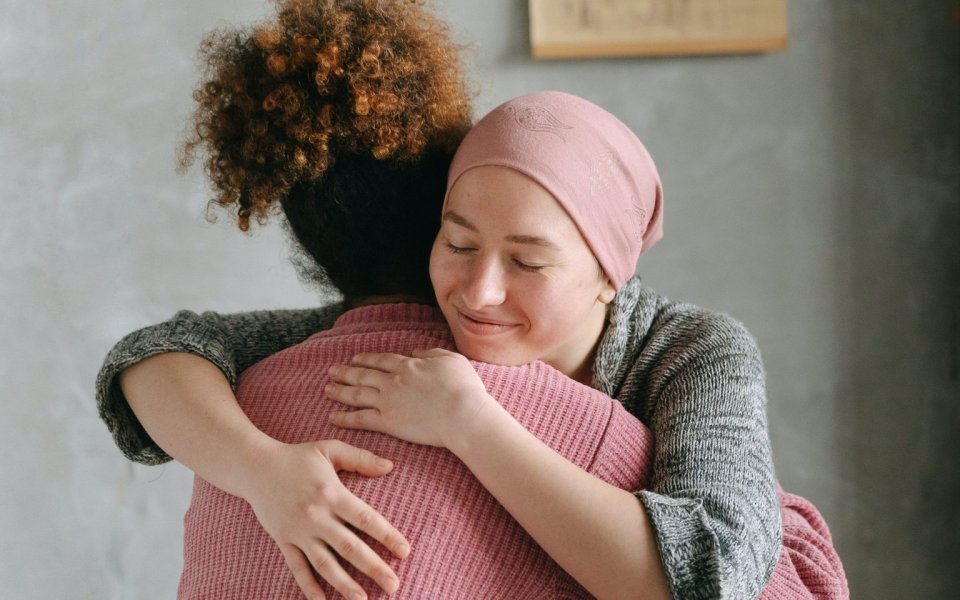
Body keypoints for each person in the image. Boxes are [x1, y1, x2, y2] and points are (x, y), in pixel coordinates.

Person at [97, 2, 848, 599]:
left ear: (609, 274)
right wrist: (265, 471)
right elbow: (155, 357)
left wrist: (475, 425)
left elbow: (716, 575)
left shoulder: (692, 351)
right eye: (458, 243)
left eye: (528, 261)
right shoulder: (426, 314)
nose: (479, 291)